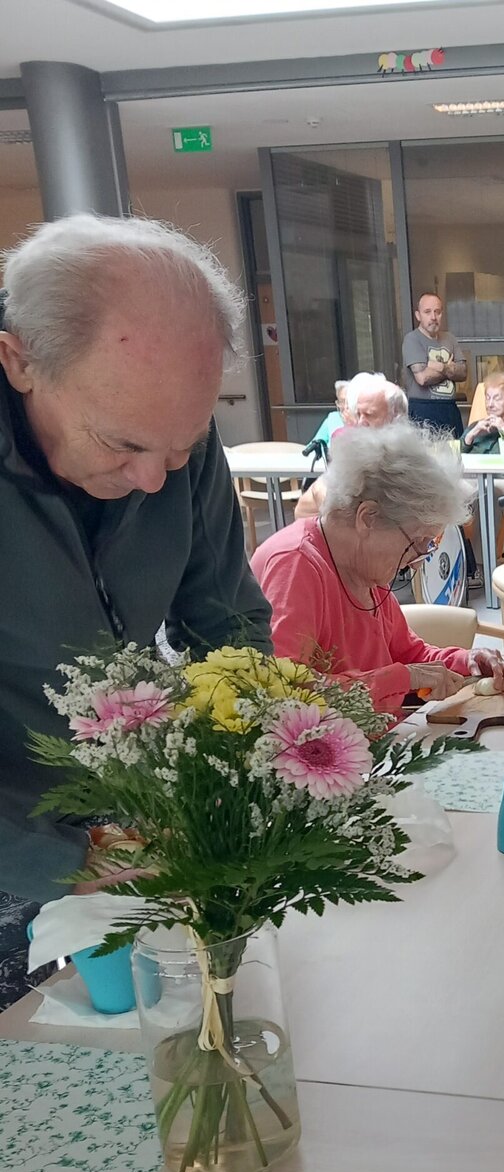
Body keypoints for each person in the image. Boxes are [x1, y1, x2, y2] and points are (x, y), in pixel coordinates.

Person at [0, 212, 270, 1001]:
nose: (155, 479)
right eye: (123, 445)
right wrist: (67, 860)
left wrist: (248, 764)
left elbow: (227, 622)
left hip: (129, 820)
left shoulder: (166, 430)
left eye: (181, 447)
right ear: (19, 360)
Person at [252, 421, 504, 717]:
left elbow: (408, 654)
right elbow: (284, 691)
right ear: (368, 518)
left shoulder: (363, 566)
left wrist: (466, 661)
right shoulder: (295, 564)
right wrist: (401, 679)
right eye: (417, 542)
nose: (418, 558)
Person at [294, 372, 408, 518]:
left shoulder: (409, 454)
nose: (361, 422)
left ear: (396, 416)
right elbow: (321, 493)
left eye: (369, 414)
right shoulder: (354, 448)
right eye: (358, 414)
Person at [401, 293, 467, 436]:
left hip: (450, 409)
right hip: (422, 410)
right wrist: (450, 369)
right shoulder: (412, 339)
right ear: (418, 315)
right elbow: (423, 378)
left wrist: (441, 367)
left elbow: (462, 373)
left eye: (437, 312)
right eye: (427, 312)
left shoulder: (450, 338)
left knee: (456, 449)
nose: (433, 317)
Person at [306, 379, 349, 455]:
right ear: (337, 403)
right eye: (342, 401)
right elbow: (314, 445)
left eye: (349, 401)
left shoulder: (363, 419)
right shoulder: (333, 418)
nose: (346, 406)